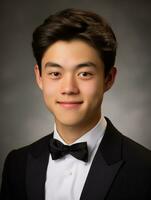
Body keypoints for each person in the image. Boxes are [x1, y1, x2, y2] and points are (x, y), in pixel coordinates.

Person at [0, 8, 151, 200]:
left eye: (84, 74)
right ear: (39, 77)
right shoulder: (17, 164)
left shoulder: (145, 168)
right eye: (55, 73)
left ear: (109, 78)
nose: (69, 88)